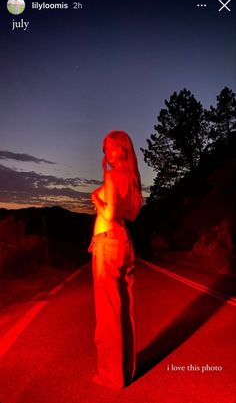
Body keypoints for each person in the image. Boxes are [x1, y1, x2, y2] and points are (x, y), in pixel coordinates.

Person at [89, 130, 143, 389]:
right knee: (125, 312)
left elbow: (109, 215)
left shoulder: (111, 176)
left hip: (108, 244)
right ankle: (127, 371)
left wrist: (94, 199)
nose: (107, 153)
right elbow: (130, 215)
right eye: (105, 149)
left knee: (108, 314)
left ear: (123, 148)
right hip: (126, 244)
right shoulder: (131, 179)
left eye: (112, 147)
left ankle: (111, 376)